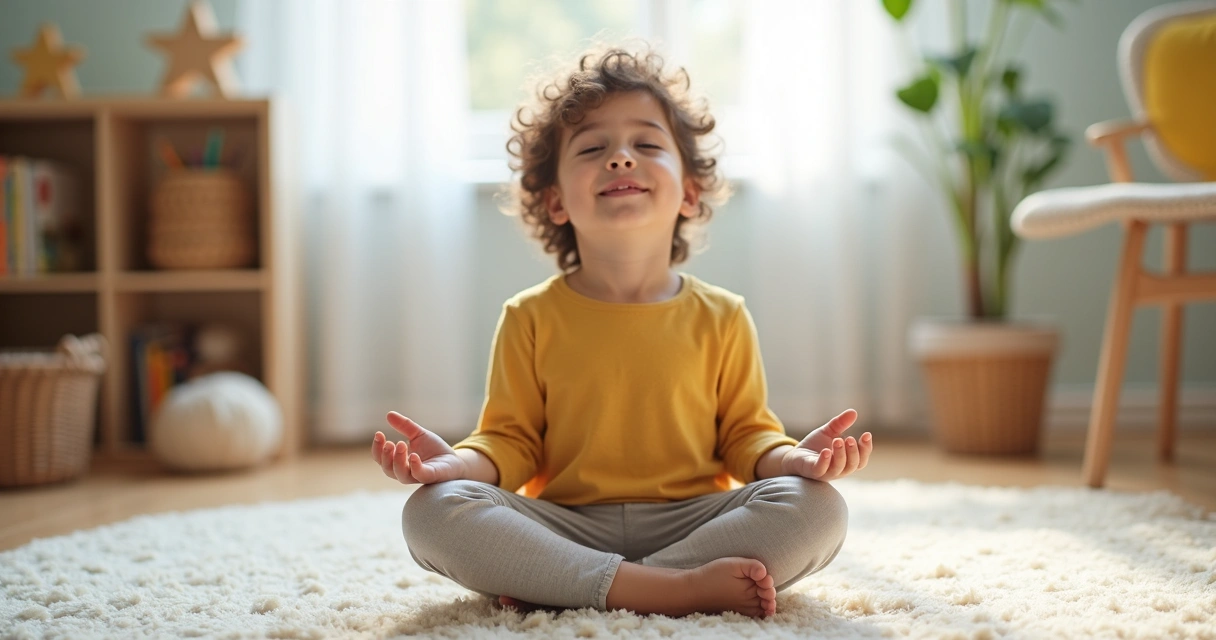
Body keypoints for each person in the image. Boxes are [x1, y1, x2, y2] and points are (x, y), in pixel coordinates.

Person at [371, 44, 873, 619]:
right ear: (556, 200)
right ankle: (669, 589)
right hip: (565, 524)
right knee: (433, 510)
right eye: (592, 148)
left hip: (695, 519)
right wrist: (455, 468)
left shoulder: (724, 315)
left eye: (648, 144)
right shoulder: (528, 316)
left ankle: (577, 586)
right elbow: (511, 443)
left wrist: (792, 462)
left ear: (688, 191)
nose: (620, 159)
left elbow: (745, 436)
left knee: (819, 508)